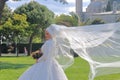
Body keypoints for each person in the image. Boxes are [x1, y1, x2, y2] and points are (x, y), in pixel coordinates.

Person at [18, 23, 120, 80]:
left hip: (46, 64)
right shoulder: (53, 42)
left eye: (47, 33)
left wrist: (38, 60)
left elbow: (47, 56)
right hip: (52, 64)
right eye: (45, 33)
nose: (46, 35)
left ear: (52, 33)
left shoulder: (49, 43)